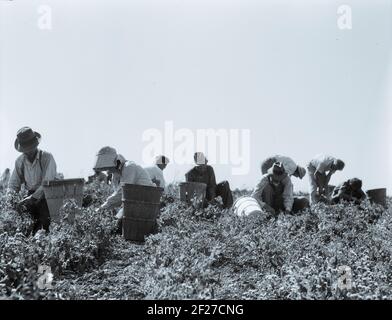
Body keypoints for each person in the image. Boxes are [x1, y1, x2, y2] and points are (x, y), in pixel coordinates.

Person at [7, 127, 57, 234]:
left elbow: (47, 183)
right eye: (26, 149)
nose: (28, 151)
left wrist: (32, 198)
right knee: (25, 226)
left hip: (48, 196)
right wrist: (11, 198)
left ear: (35, 145)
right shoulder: (20, 161)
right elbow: (13, 184)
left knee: (45, 223)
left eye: (30, 147)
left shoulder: (47, 157)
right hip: (30, 197)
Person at [93, 146, 154, 233]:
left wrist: (102, 208)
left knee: (118, 226)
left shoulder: (129, 167)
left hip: (147, 201)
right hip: (133, 203)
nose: (107, 171)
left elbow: (122, 194)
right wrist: (104, 209)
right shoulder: (116, 174)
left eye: (108, 168)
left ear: (114, 163)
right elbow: (117, 197)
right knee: (115, 225)